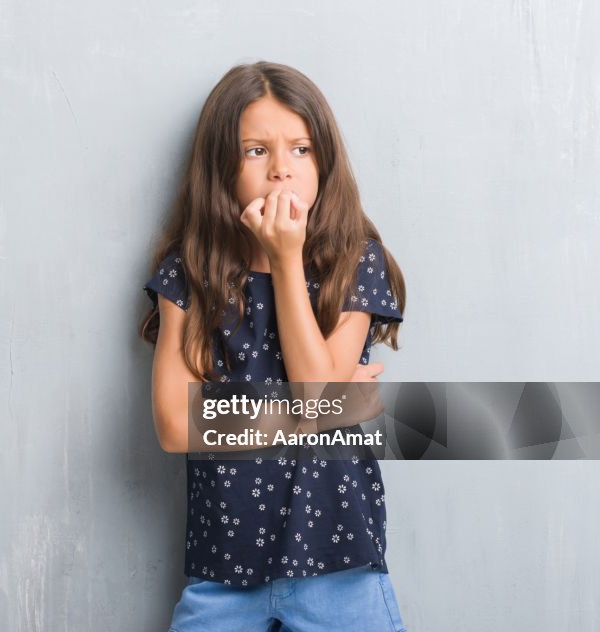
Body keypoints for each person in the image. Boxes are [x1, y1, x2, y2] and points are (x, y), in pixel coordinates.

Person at [139, 61, 408, 632]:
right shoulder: (190, 274)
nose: (281, 169)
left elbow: (317, 395)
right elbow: (172, 424)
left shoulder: (355, 263)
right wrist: (331, 406)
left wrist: (287, 261)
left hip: (342, 565)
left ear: (324, 161)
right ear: (223, 168)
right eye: (256, 151)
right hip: (223, 573)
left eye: (301, 149)